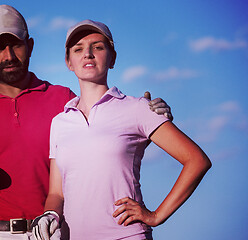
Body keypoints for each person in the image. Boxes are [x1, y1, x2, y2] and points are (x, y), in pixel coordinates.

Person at [0, 5, 172, 240]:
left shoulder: (62, 99)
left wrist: (147, 120)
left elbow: (106, 138)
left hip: (53, 231)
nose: (9, 55)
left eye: (15, 44)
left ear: (30, 46)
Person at [32, 20, 211, 240]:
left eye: (97, 47)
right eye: (78, 49)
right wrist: (50, 215)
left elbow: (197, 160)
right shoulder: (60, 122)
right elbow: (56, 193)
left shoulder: (138, 108)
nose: (87, 53)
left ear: (112, 58)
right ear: (69, 62)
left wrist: (156, 216)